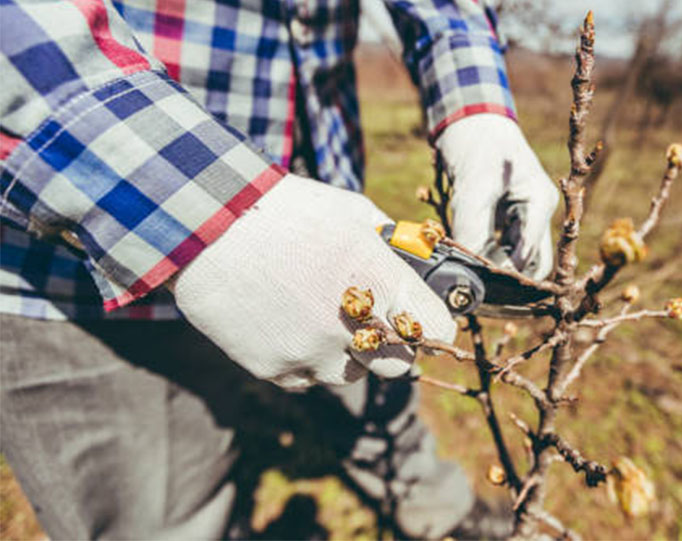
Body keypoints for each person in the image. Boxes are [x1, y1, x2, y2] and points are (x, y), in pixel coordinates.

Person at [0, 0, 559, 538]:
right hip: (69, 271)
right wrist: (196, 204)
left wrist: (476, 103)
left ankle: (442, 516)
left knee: (380, 409)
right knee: (154, 517)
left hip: (327, 221)